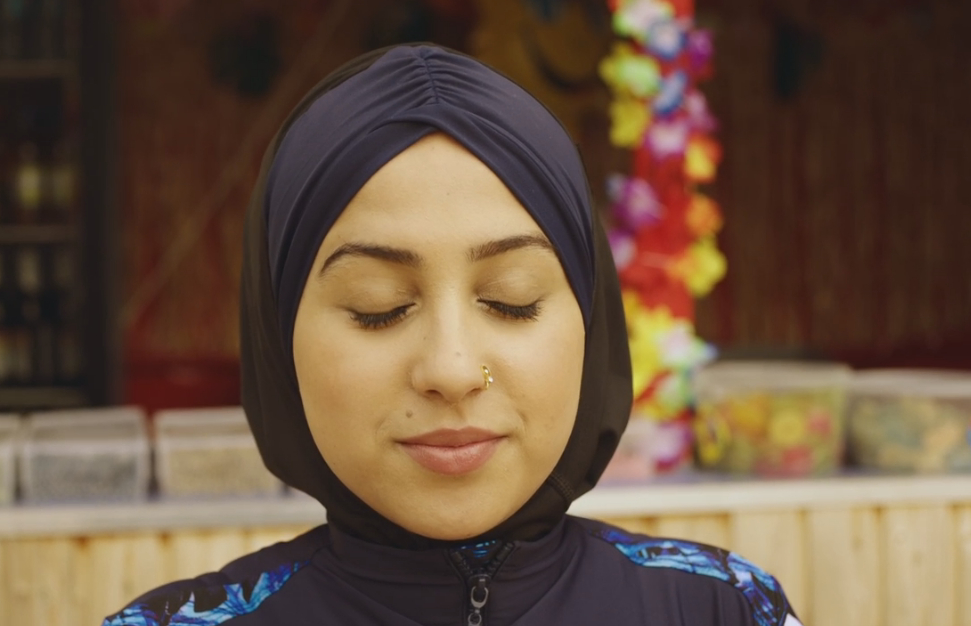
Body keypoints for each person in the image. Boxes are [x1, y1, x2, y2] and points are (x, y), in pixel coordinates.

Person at [104, 44, 802, 626]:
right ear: (277, 339)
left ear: (591, 323)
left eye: (511, 301)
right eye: (378, 308)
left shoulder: (723, 611)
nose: (453, 369)